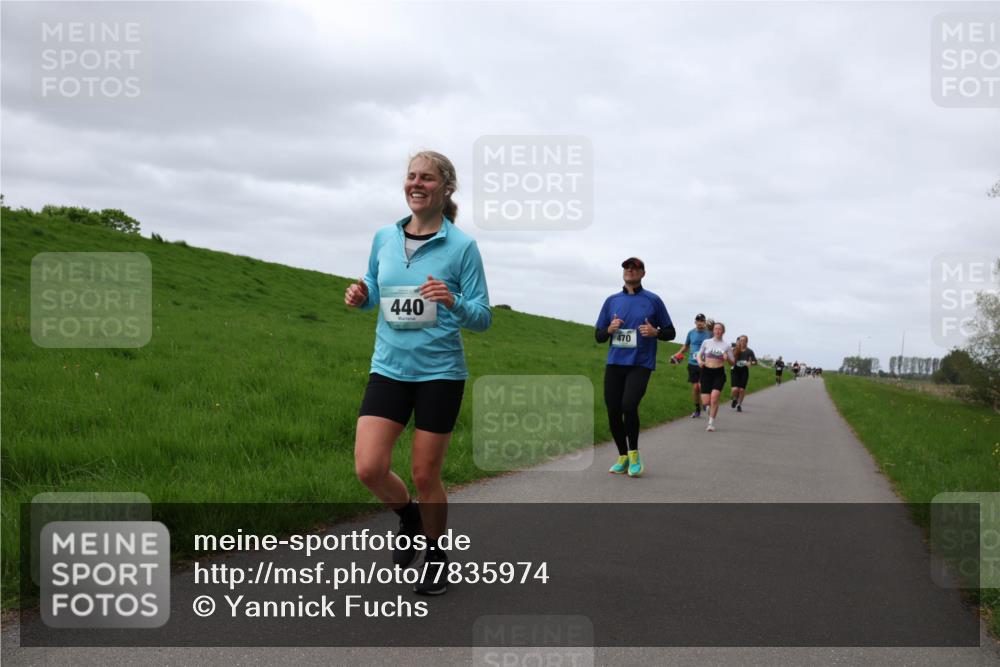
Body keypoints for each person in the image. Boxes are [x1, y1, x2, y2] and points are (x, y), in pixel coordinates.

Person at [345, 151, 491, 596]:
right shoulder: (383, 238)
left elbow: (482, 316)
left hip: (440, 374)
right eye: (411, 176)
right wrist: (360, 294)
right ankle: (408, 514)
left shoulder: (462, 247)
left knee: (426, 474)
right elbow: (374, 288)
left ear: (446, 188)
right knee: (369, 467)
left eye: (426, 178)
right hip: (388, 368)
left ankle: (435, 554)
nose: (416, 183)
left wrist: (452, 300)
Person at [595, 257, 675, 478]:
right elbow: (599, 336)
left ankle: (634, 455)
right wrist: (609, 330)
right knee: (613, 411)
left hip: (640, 363)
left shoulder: (653, 300)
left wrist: (656, 332)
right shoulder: (611, 301)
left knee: (629, 406)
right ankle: (622, 456)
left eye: (635, 268)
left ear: (643, 273)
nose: (629, 270)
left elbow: (670, 332)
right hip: (615, 363)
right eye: (626, 267)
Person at [672, 314, 713, 417]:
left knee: (701, 385)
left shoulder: (709, 334)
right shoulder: (691, 333)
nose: (700, 323)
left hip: (705, 364)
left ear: (704, 322)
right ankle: (697, 409)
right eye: (698, 321)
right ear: (695, 322)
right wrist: (677, 355)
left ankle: (705, 403)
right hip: (692, 363)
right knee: (695, 388)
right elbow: (686, 346)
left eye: (702, 321)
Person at [697, 322, 735, 432]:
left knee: (714, 399)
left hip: (719, 373)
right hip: (706, 372)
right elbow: (700, 354)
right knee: (705, 402)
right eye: (716, 329)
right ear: (713, 331)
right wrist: (700, 361)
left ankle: (710, 423)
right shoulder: (706, 342)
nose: (717, 331)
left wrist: (727, 358)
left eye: (720, 329)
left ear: (723, 331)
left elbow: (733, 363)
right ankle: (708, 409)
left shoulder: (726, 345)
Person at [729, 335, 757, 412]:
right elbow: (729, 360)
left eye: (744, 340)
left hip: (744, 371)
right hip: (735, 370)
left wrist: (750, 362)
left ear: (746, 342)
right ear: (738, 341)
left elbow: (755, 362)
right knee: (735, 389)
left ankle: (739, 405)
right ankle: (734, 399)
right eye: (740, 340)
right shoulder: (734, 349)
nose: (742, 342)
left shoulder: (749, 351)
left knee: (741, 389)